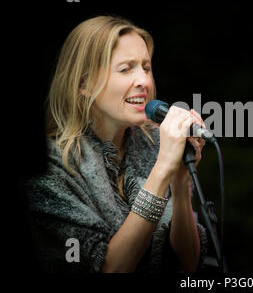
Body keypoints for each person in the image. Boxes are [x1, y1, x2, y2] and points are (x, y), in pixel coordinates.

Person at [24, 15, 208, 273]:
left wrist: (179, 183)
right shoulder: (50, 170)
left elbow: (187, 265)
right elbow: (108, 268)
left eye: (146, 67)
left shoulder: (156, 143)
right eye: (126, 69)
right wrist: (162, 169)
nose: (144, 81)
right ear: (83, 84)